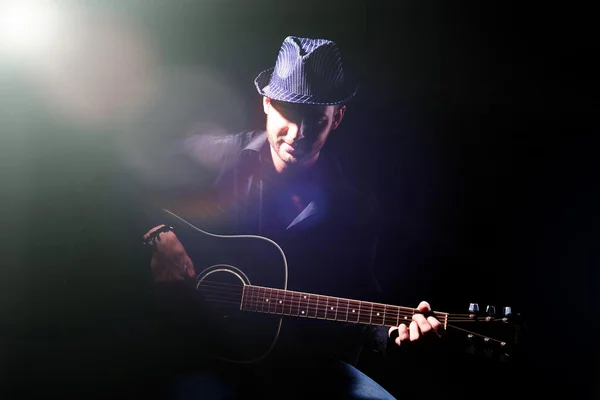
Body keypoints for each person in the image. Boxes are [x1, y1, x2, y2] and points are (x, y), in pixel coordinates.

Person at [140, 36, 443, 400]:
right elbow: (116, 185)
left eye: (316, 120)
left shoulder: (355, 210)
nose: (299, 134)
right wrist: (157, 233)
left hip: (296, 362)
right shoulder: (213, 157)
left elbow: (358, 296)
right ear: (267, 104)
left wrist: (394, 332)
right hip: (197, 350)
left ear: (338, 117)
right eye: (288, 114)